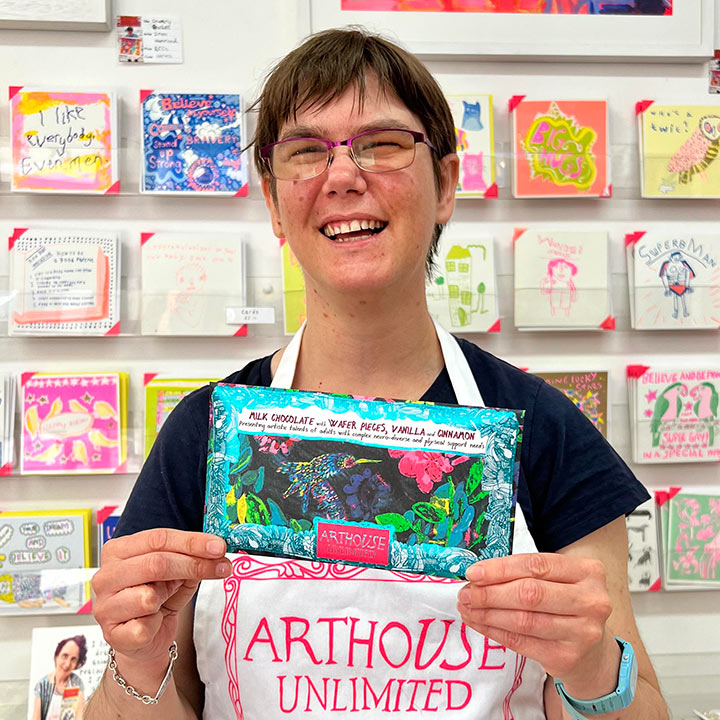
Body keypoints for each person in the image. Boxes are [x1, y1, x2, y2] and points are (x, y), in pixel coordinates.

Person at [88, 28, 668, 719]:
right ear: (273, 204)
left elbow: (643, 706)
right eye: (306, 152)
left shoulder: (541, 429)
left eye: (382, 144)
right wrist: (138, 660)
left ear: (445, 183)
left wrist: (590, 663)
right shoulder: (206, 433)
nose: (342, 176)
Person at [32, 635, 87, 720]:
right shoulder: (42, 685)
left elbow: (80, 716)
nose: (67, 664)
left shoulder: (76, 683)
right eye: (65, 656)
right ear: (56, 656)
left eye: (73, 659)